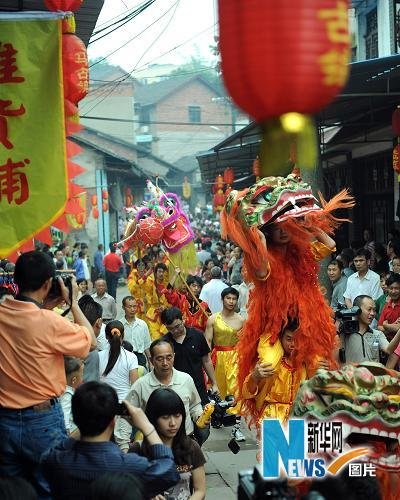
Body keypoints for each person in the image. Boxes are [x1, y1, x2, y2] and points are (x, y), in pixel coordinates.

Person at [0, 251, 96, 498]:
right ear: (47, 284)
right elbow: (90, 341)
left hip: (4, 421)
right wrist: (73, 303)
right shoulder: (49, 322)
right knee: (52, 488)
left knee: (12, 492)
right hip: (41, 422)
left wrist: (45, 307)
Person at [41, 382, 179, 499]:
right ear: (113, 421)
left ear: (75, 419)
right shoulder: (129, 466)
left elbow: (53, 451)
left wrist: (85, 421)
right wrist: (147, 426)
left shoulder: (56, 461)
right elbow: (168, 471)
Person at [115, 340, 203, 451]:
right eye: (160, 359)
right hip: (154, 446)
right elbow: (125, 415)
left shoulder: (186, 380)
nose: (165, 363)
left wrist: (200, 416)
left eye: (169, 357)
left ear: (174, 357)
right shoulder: (141, 385)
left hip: (184, 443)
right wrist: (123, 447)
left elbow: (194, 406)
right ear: (151, 360)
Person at [140, 388, 206, 500]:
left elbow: (200, 490)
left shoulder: (191, 447)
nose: (173, 423)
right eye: (165, 417)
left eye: (177, 416)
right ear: (153, 418)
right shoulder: (139, 450)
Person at [242, 319, 311, 423]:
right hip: (272, 418)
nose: (292, 344)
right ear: (280, 338)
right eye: (289, 339)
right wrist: (255, 377)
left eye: (296, 340)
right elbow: (247, 393)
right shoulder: (270, 364)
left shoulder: (305, 364)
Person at [205, 287, 245, 442]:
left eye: (234, 299)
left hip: (235, 358)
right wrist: (206, 360)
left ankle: (236, 428)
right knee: (219, 393)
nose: (231, 301)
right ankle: (218, 415)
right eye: (228, 298)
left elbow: (245, 342)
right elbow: (208, 341)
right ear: (223, 300)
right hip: (218, 358)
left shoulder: (241, 320)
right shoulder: (213, 319)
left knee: (237, 393)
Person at [161, 307, 219, 406]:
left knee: (203, 417)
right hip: (176, 389)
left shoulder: (197, 336)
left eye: (177, 326)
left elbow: (206, 361)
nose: (175, 331)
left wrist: (214, 383)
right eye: (170, 329)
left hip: (198, 387)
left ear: (183, 319)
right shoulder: (165, 343)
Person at [338, 295, 395, 364]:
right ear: (356, 310)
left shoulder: (377, 335)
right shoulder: (346, 333)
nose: (372, 313)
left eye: (374, 310)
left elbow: (388, 350)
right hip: (351, 374)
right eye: (369, 309)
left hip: (372, 374)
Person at [98, 320, 138, 402]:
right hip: (124, 404)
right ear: (123, 335)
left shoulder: (98, 356)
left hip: (103, 403)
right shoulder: (131, 357)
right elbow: (135, 386)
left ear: (106, 336)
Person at [120, 295, 152, 368]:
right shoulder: (120, 325)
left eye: (134, 306)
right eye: (129, 307)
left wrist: (150, 363)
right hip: (124, 358)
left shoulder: (142, 324)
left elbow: (147, 345)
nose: (132, 309)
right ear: (123, 308)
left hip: (139, 358)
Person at [60, 357, 83, 437]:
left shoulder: (61, 389)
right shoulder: (67, 395)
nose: (82, 378)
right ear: (74, 380)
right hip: (70, 432)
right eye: (81, 375)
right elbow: (65, 417)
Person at [377, 273, 400, 340]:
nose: (393, 291)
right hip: (388, 343)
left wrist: (386, 325)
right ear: (387, 288)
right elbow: (379, 327)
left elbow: (398, 328)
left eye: (396, 288)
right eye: (391, 288)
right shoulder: (386, 306)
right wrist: (392, 326)